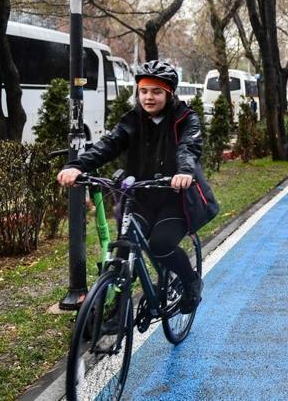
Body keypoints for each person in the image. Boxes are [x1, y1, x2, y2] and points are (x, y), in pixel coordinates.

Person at [57, 60, 217, 313]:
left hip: (174, 198)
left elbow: (189, 148)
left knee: (161, 245)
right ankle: (117, 312)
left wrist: (184, 172)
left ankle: (190, 282)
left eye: (156, 91)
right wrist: (77, 166)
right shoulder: (132, 119)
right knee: (122, 249)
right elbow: (108, 145)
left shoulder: (186, 118)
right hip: (139, 196)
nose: (148, 97)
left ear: (169, 93)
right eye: (143, 91)